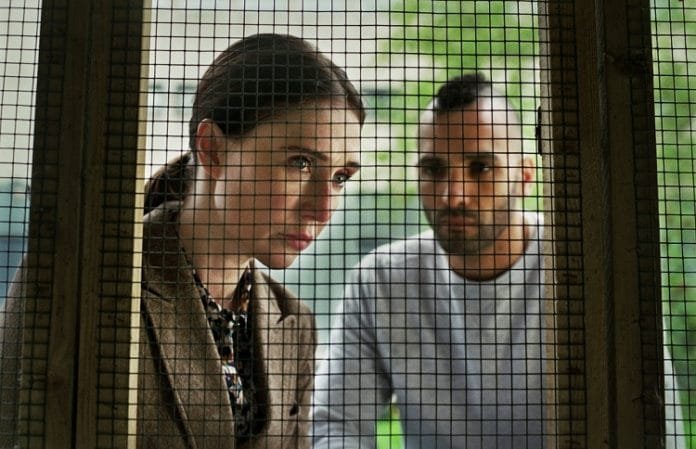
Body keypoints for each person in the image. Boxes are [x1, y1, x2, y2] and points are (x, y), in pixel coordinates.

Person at [0, 33, 365, 449]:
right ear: (213, 149)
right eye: (300, 162)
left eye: (340, 177)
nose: (323, 208)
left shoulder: (294, 323)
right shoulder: (87, 278)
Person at [311, 73, 686, 449]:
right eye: (434, 169)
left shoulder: (588, 269)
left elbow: (656, 426)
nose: (454, 196)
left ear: (525, 177)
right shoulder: (381, 281)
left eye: (481, 168)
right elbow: (336, 425)